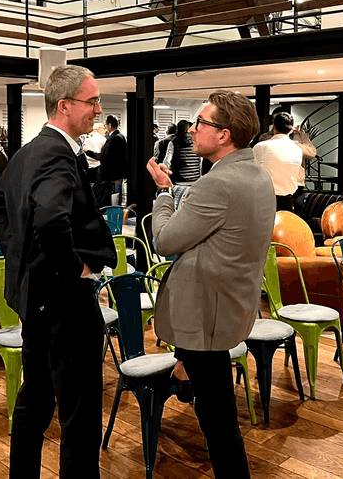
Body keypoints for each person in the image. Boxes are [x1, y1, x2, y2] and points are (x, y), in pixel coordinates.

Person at [0, 65, 117, 479]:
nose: (98, 109)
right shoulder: (55, 152)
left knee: (36, 396)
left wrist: (21, 253)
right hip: (63, 298)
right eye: (92, 101)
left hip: (37, 295)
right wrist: (74, 268)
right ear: (64, 106)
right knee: (80, 409)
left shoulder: (29, 151)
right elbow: (51, 221)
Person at [146, 90, 275, 479]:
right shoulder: (257, 175)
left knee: (218, 418)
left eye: (200, 122)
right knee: (214, 404)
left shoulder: (217, 184)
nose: (192, 129)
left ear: (223, 134)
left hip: (205, 314)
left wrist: (164, 193)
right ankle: (181, 377)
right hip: (229, 305)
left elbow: (165, 240)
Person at [253, 112, 304, 212]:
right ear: (291, 130)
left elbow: (252, 173)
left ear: (273, 127)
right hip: (288, 201)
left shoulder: (261, 147)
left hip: (264, 200)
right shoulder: (297, 150)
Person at [86, 114, 127, 207]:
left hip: (109, 174)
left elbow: (104, 156)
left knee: (103, 199)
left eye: (105, 125)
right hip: (115, 174)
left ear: (110, 125)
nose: (105, 128)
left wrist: (88, 152)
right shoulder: (121, 136)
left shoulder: (115, 138)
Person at [163, 120, 201, 184]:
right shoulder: (196, 141)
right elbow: (200, 162)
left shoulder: (173, 142)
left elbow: (167, 162)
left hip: (178, 180)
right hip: (195, 179)